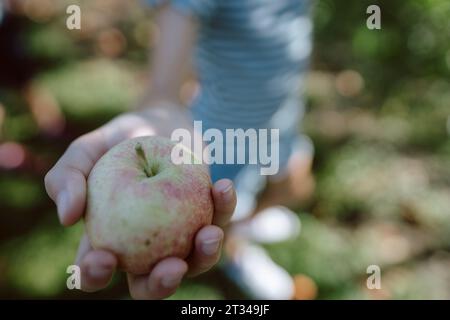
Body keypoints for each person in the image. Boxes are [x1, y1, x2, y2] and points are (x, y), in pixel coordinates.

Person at [45, 0, 314, 299]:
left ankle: (248, 224)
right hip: (221, 138)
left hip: (282, 117)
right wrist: (160, 108)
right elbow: (164, 84)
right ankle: (237, 251)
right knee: (224, 208)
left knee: (291, 184)